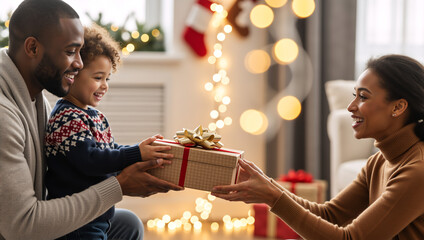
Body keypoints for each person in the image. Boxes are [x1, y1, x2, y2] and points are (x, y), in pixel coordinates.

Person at [0, 0, 182, 239]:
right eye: (69, 51)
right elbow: (21, 227)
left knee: (127, 223)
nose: (79, 63)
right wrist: (120, 186)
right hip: (20, 231)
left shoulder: (36, 100)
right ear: (33, 48)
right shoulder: (4, 116)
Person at [212, 54, 424, 239]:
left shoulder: (417, 171)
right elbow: (328, 215)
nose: (351, 107)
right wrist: (267, 185)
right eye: (354, 96)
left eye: (363, 97)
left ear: (398, 107)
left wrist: (272, 196)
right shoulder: (379, 161)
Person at [44, 23, 167, 240]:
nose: (104, 85)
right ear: (72, 75)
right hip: (77, 224)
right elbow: (92, 160)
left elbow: (109, 150)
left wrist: (142, 150)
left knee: (130, 223)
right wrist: (136, 153)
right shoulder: (66, 118)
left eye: (107, 79)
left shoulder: (93, 116)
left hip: (98, 216)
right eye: (98, 78)